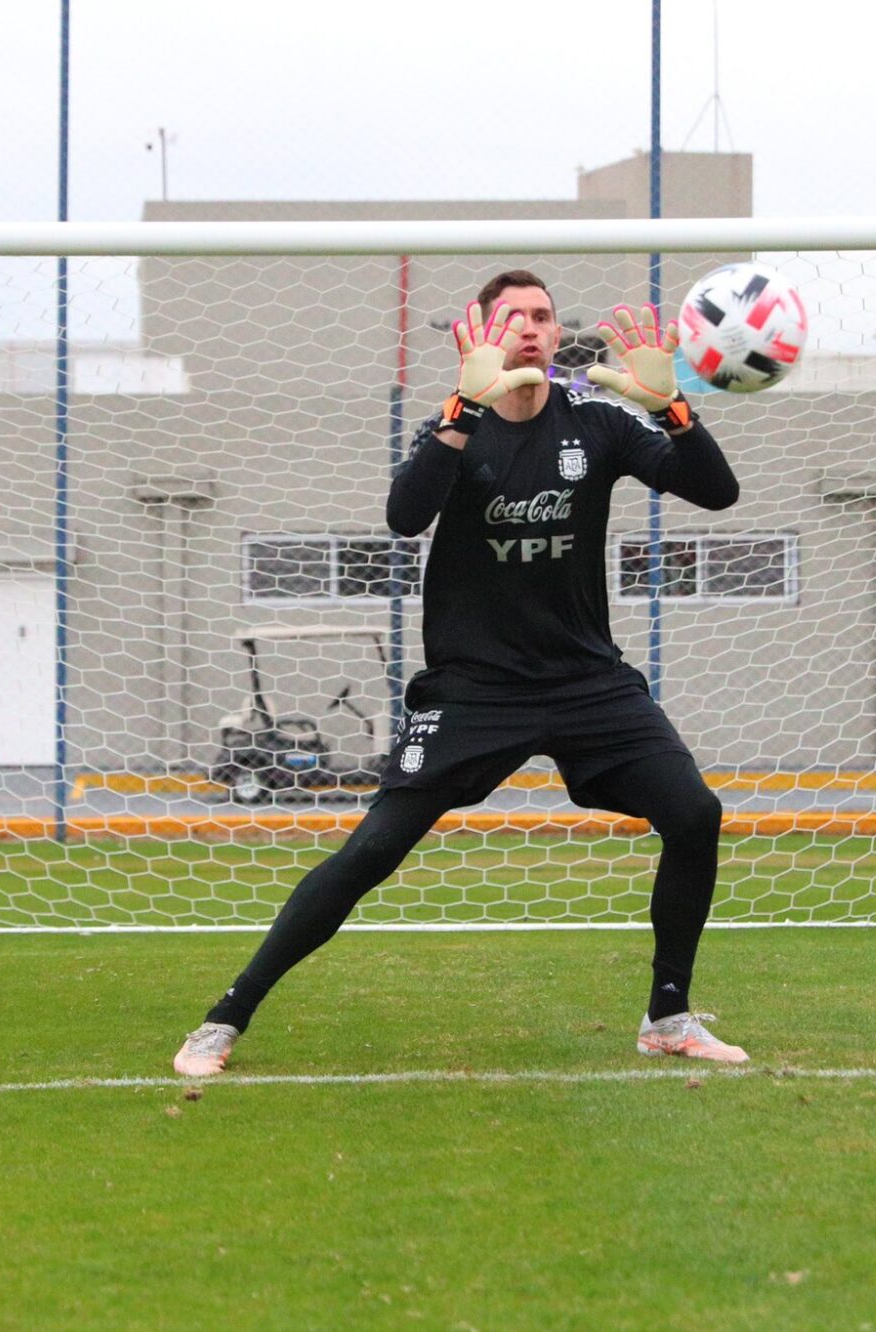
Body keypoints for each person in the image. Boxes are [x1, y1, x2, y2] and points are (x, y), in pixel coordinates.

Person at [173, 269, 747, 1076]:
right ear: (480, 332)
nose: (532, 329)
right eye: (514, 317)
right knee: (371, 852)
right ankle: (225, 1018)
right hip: (474, 692)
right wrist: (459, 411)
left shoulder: (600, 424)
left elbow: (717, 494)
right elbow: (405, 516)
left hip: (587, 683)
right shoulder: (456, 428)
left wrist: (672, 412)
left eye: (544, 317)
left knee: (694, 815)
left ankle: (668, 1016)